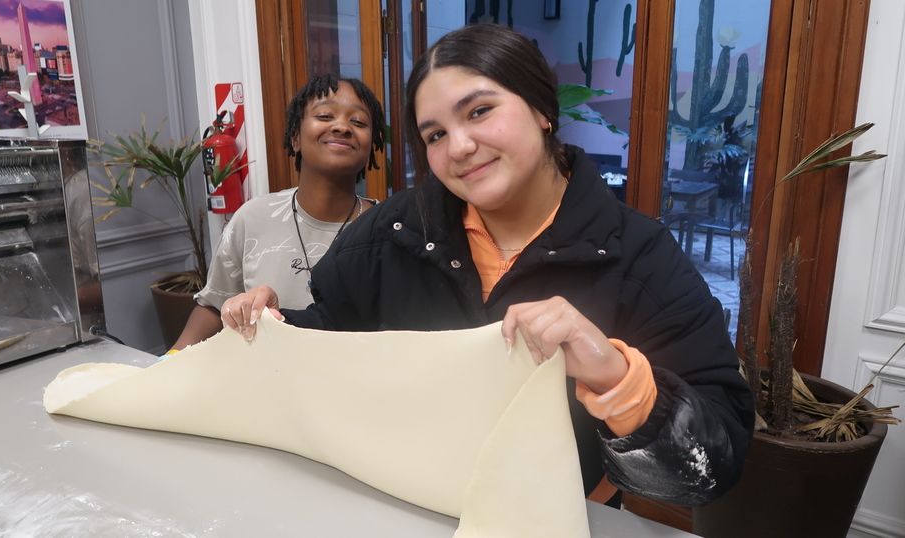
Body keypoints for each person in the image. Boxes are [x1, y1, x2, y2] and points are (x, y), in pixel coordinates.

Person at [220, 24, 754, 507]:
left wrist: (616, 377)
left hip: (557, 518)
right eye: (434, 135)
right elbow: (333, 337)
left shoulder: (638, 256)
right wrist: (275, 324)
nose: (461, 146)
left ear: (543, 110)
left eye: (479, 112)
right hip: (395, 506)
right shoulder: (392, 234)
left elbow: (714, 464)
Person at [170, 74, 385, 350]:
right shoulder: (253, 218)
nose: (342, 127)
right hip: (263, 384)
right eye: (325, 115)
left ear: (370, 148)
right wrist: (169, 360)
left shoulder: (388, 229)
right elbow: (213, 306)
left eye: (358, 122)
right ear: (295, 137)